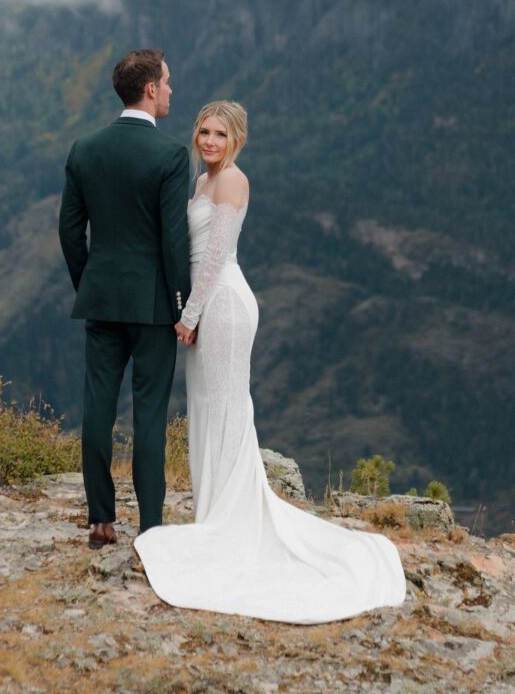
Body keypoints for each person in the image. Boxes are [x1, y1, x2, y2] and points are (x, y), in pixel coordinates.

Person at [134, 100, 406, 623]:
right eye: (203, 132)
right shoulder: (200, 180)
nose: (209, 141)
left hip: (225, 309)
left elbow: (215, 256)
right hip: (205, 307)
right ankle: (213, 513)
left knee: (229, 408)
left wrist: (188, 315)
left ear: (236, 139)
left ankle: (230, 522)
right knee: (208, 409)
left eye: (219, 134)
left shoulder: (233, 181)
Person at [59, 49, 191, 548]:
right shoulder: (170, 155)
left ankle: (100, 520)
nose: (172, 90)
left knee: (97, 406)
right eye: (168, 82)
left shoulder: (84, 149)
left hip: (101, 299)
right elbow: (173, 242)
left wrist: (89, 284)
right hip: (155, 306)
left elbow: (70, 232)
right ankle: (152, 526)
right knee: (149, 413)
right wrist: (183, 307)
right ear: (151, 90)